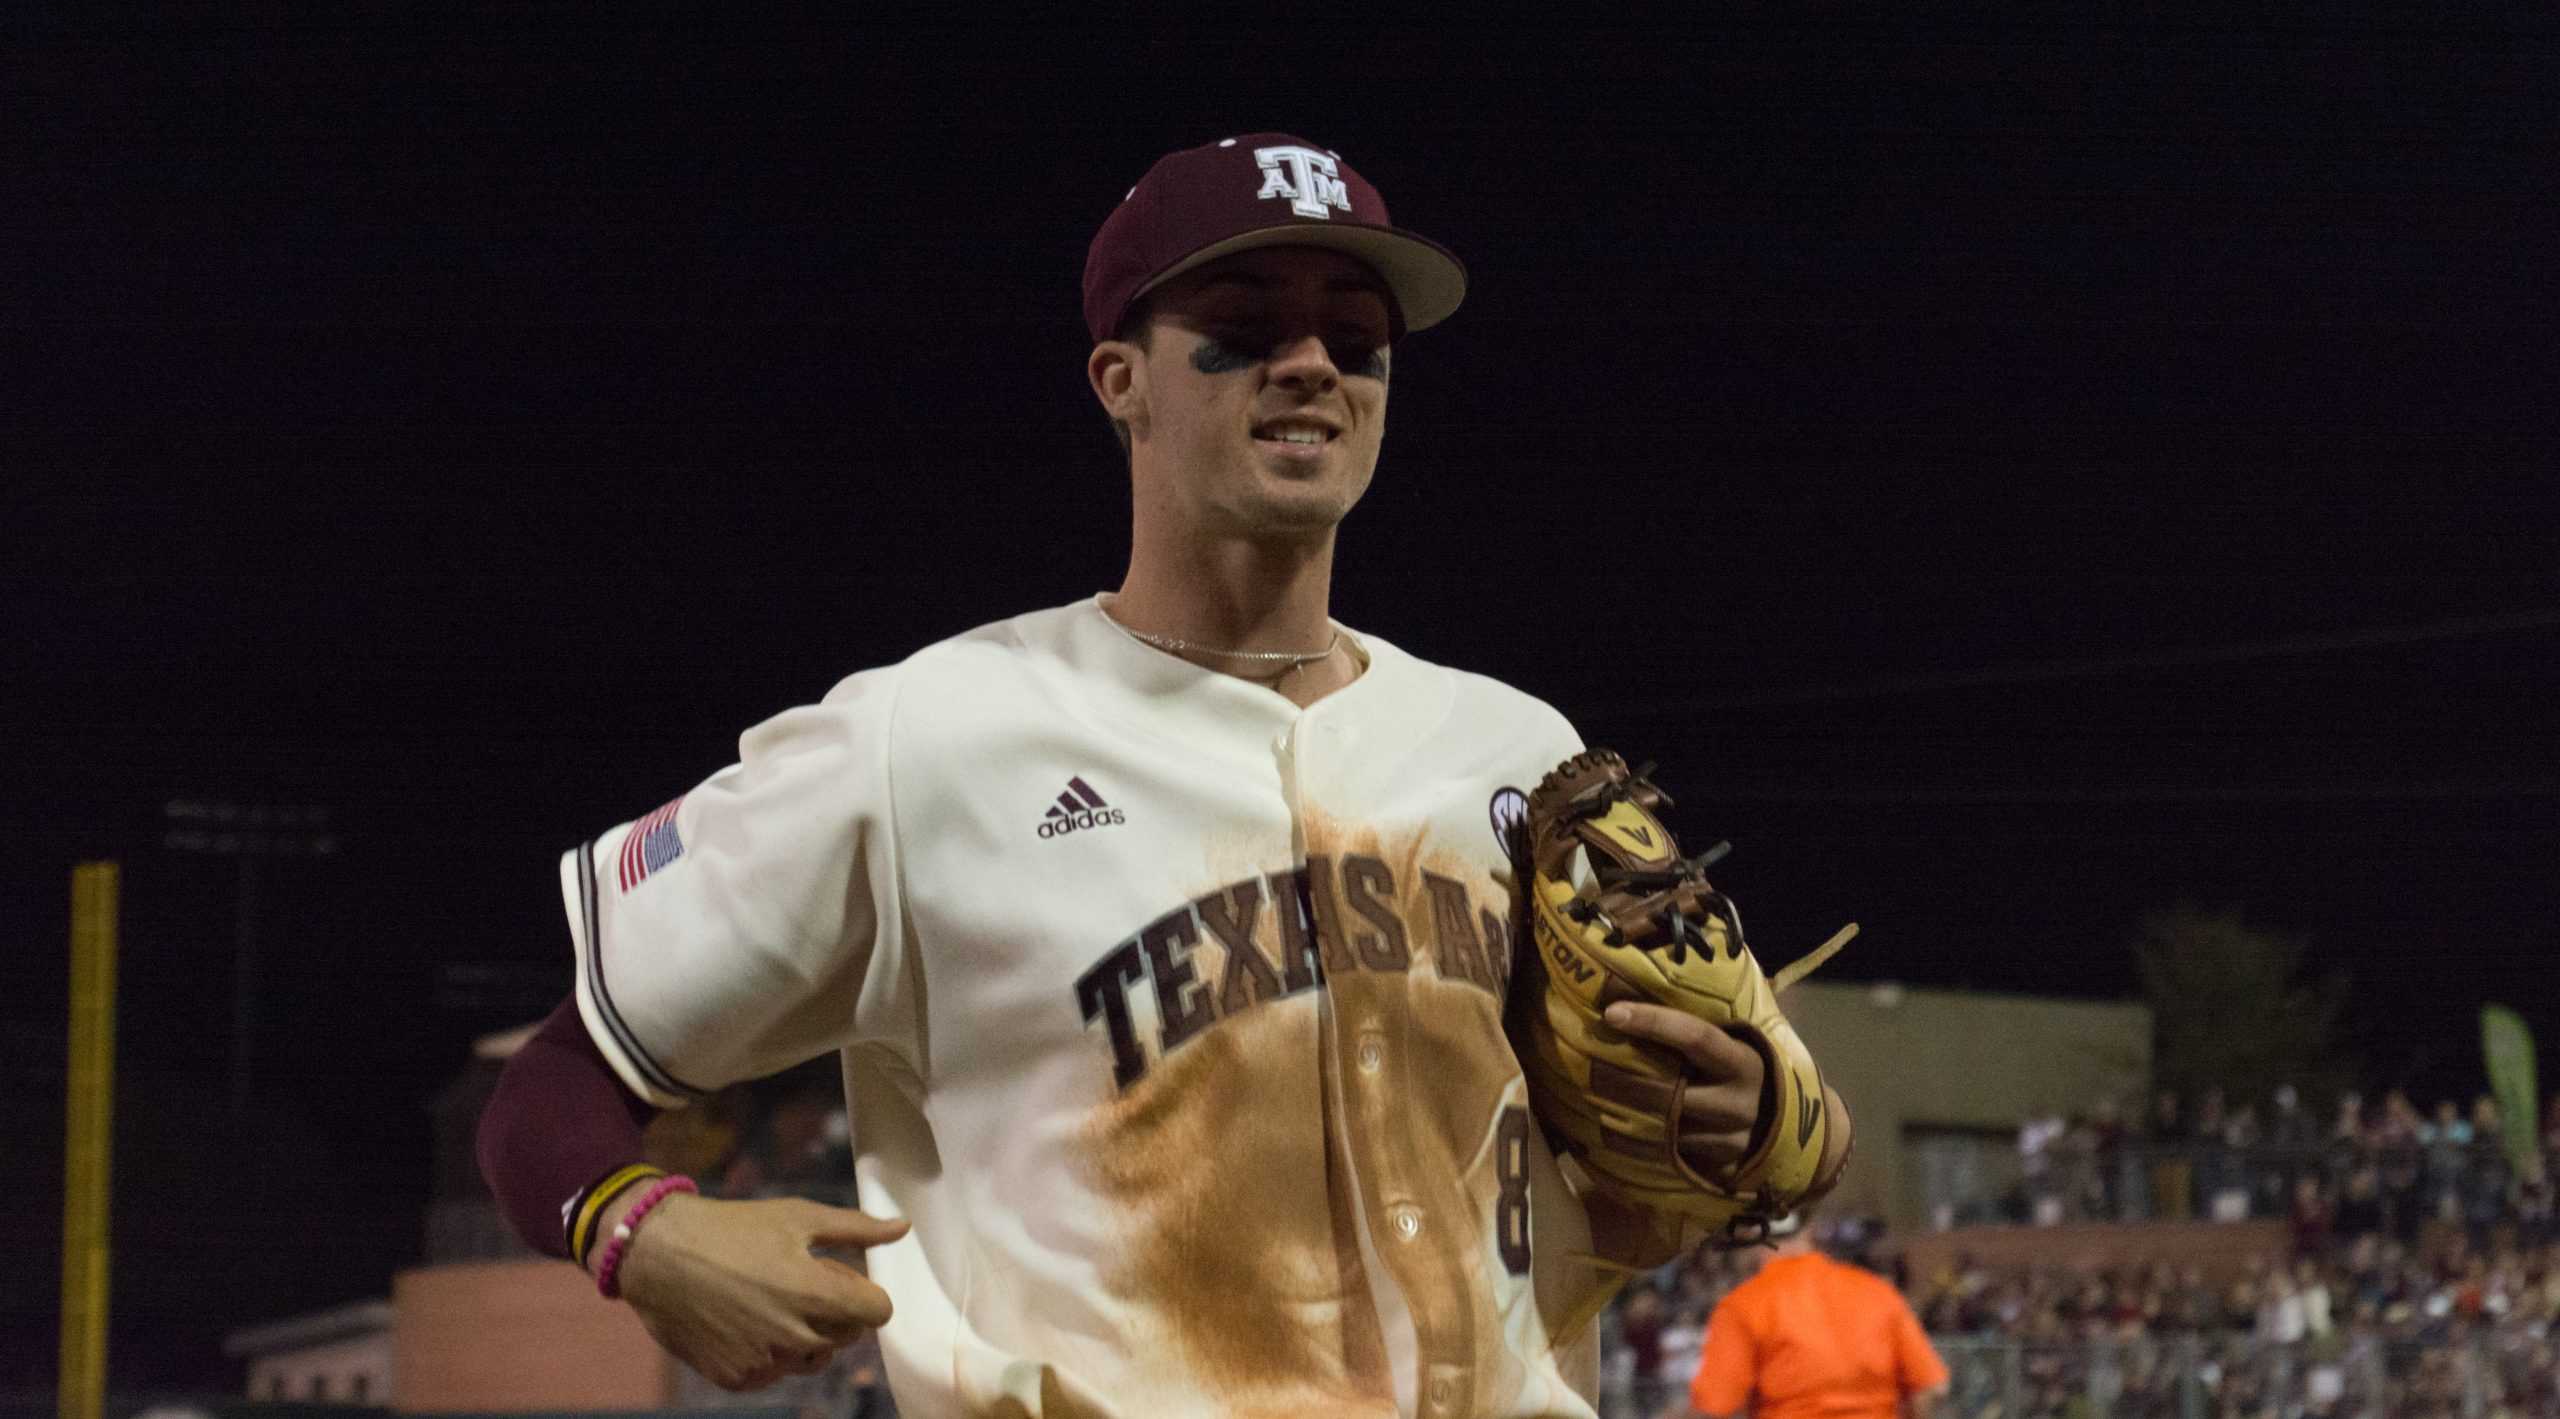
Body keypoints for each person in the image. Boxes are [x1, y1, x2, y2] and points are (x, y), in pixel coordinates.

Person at [474, 132, 1853, 1419]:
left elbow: (1757, 1124)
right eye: (1244, 330)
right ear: (1117, 378)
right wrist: (639, 1229)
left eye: (1356, 338)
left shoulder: (1518, 751)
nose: (1312, 362)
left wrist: (1763, 1109)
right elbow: (555, 1083)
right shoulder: (931, 735)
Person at [1685, 1215, 1946, 1419]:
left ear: (1750, 1237)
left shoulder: (1741, 1305)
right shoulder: (1878, 1292)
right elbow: (1930, 1388)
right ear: (1809, 1230)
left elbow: (1714, 1406)